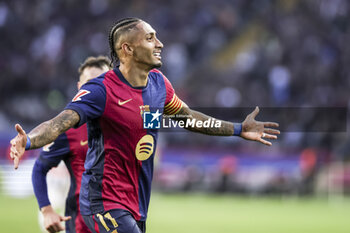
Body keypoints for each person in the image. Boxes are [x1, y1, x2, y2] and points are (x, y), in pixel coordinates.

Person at [10, 17, 280, 233]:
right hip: (103, 201)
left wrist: (237, 129)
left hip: (137, 203)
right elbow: (59, 123)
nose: (159, 43)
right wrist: (29, 141)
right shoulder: (101, 90)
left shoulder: (159, 85)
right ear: (127, 48)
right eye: (150, 38)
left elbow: (188, 117)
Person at [32, 56, 112, 233]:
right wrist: (47, 210)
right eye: (91, 83)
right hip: (82, 226)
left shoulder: (126, 121)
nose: (97, 88)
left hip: (124, 222)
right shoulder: (67, 129)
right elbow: (39, 168)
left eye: (104, 81)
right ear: (79, 88)